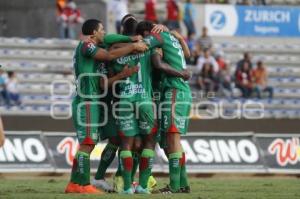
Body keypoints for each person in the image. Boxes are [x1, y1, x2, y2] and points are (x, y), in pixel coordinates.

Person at [64, 19, 148, 194]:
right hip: (86, 101)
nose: (104, 33)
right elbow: (109, 55)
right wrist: (133, 46)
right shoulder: (86, 46)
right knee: (87, 143)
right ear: (94, 33)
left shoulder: (94, 51)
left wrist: (123, 73)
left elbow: (103, 83)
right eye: (101, 30)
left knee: (100, 141)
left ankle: (74, 183)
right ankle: (84, 184)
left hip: (96, 101)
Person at [136, 20, 192, 194]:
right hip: (179, 90)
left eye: (146, 35)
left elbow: (143, 47)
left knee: (172, 140)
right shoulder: (170, 37)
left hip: (174, 90)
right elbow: (187, 55)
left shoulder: (157, 36)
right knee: (173, 141)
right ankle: (183, 184)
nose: (148, 38)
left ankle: (174, 187)